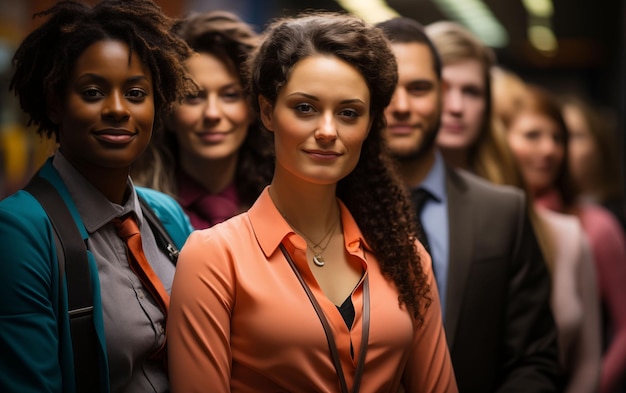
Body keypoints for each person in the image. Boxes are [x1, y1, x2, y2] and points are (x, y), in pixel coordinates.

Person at [168, 12, 457, 392]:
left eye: (348, 113)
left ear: (369, 125)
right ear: (268, 111)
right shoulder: (214, 257)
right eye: (304, 108)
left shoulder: (405, 256)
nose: (326, 131)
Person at [0, 0, 194, 391]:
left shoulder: (167, 216)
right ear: (56, 102)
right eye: (93, 92)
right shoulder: (18, 232)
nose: (118, 109)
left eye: (136, 93)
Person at [376, 17, 560, 392]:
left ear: (442, 96)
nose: (403, 106)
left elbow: (534, 357)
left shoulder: (501, 211)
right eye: (388, 88)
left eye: (421, 88)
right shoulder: (327, 209)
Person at [498, 82, 626, 393]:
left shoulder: (588, 228)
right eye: (533, 136)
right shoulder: (492, 222)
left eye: (559, 138)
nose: (549, 149)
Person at [132, 10, 274, 229]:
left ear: (255, 110)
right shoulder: (137, 211)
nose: (212, 114)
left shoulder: (282, 206)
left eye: (230, 95)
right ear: (167, 113)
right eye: (193, 97)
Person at [423, 21, 518, 185]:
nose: (456, 107)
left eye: (471, 92)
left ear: (487, 104)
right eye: (442, 89)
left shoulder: (509, 193)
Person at [561, 94, 626, 232]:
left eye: (576, 135)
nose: (564, 145)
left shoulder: (615, 217)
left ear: (601, 146)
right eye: (560, 136)